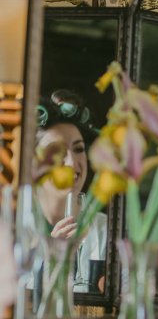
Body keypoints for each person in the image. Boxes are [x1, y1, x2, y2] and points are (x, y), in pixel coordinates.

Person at [33, 90, 107, 295]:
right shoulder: (11, 229)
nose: (72, 163)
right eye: (57, 151)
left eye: (78, 149)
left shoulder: (108, 232)